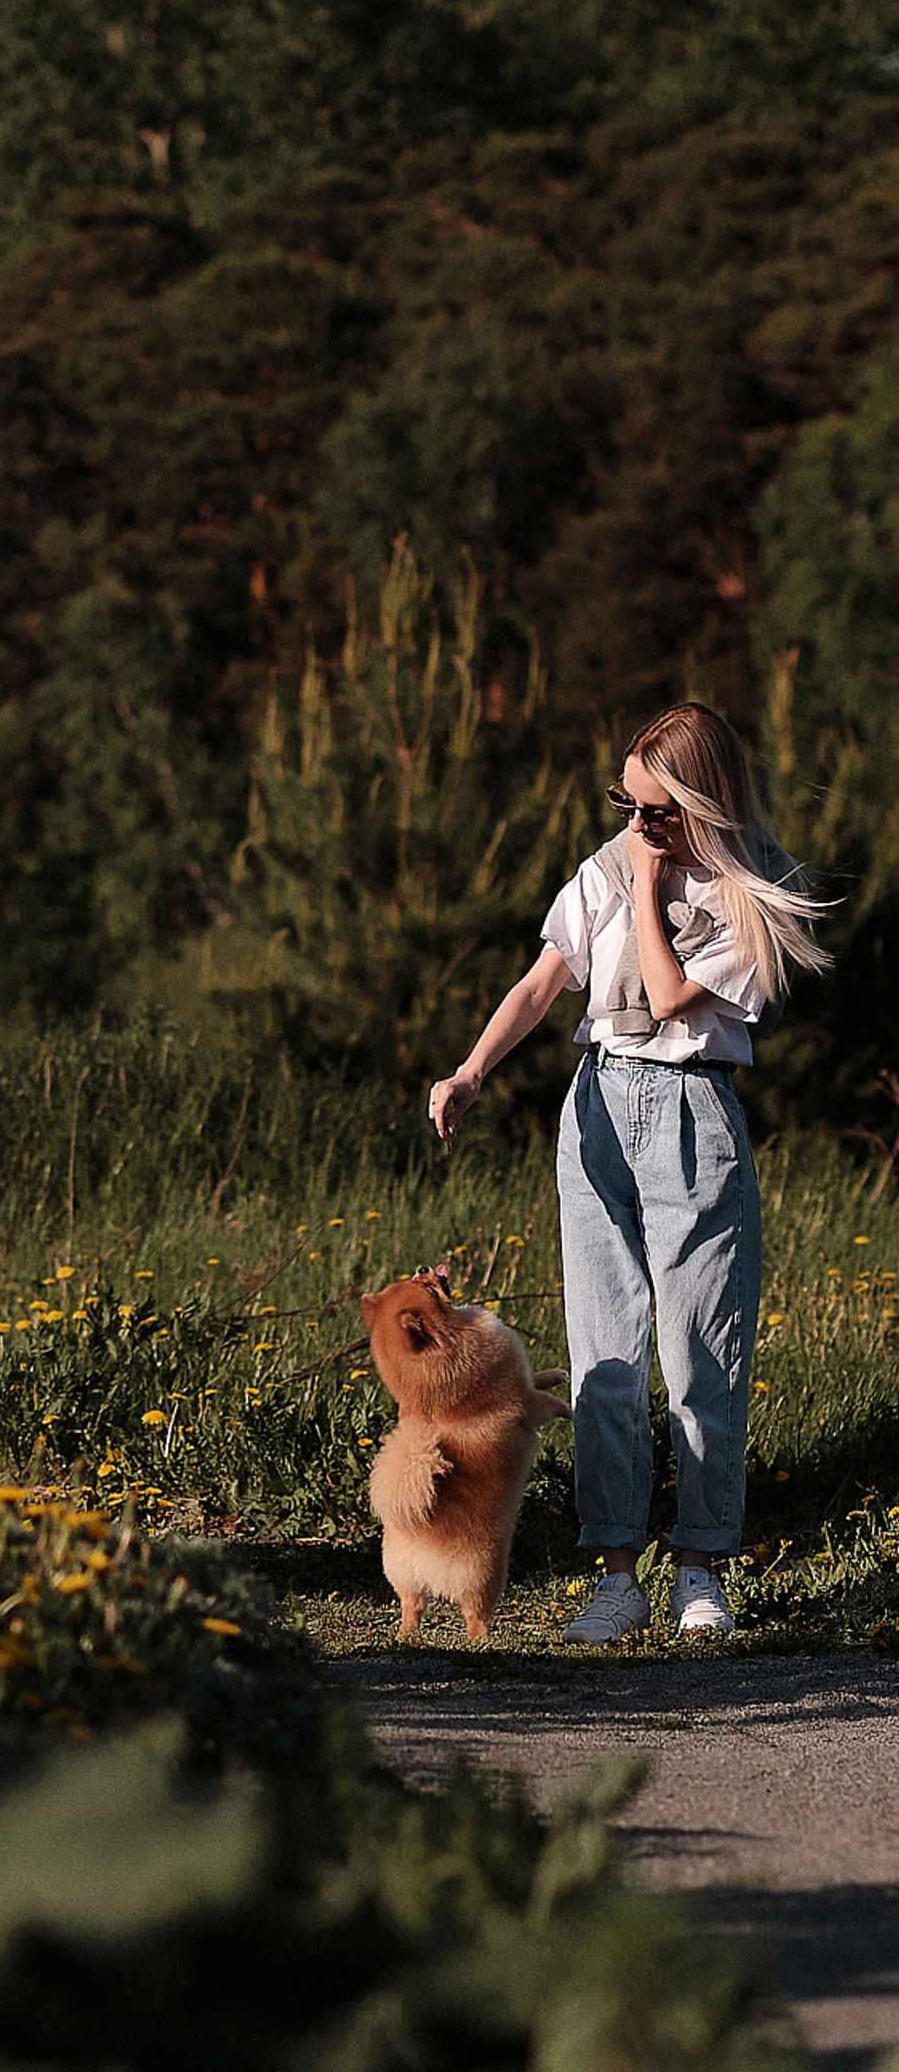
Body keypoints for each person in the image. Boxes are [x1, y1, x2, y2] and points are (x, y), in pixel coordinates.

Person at [425, 704, 834, 1645]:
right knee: (604, 1360)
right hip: (599, 1104)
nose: (635, 825)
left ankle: (699, 1570)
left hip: (695, 1112)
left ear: (702, 805)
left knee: (701, 1359)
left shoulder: (755, 892)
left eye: (655, 810)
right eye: (628, 803)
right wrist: (471, 1071)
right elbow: (542, 981)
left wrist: (649, 889)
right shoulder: (608, 866)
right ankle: (615, 1575)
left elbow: (667, 996)